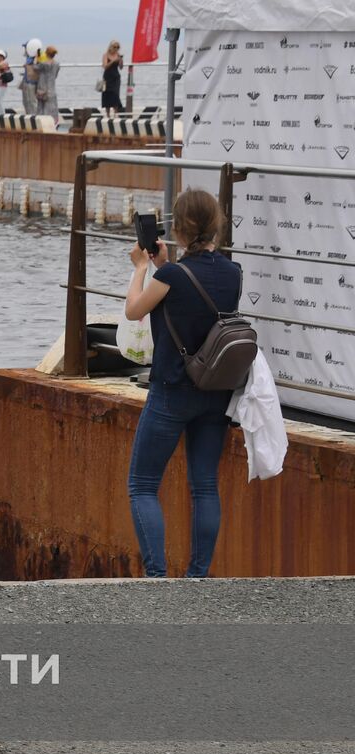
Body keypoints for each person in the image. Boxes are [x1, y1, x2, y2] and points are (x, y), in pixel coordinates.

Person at [123, 189, 240, 578]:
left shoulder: (171, 275)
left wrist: (143, 266)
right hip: (216, 390)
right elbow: (196, 300)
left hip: (173, 389)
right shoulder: (231, 271)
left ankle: (157, 577)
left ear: (179, 228)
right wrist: (166, 266)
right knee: (204, 486)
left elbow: (134, 309)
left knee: (142, 484)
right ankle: (197, 575)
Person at [33, 45, 61, 122]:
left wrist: (36, 58)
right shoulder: (57, 64)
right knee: (52, 108)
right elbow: (55, 75)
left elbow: (35, 68)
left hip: (42, 89)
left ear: (46, 53)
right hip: (52, 89)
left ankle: (42, 123)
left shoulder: (43, 64)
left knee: (41, 108)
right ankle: (53, 122)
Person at [101, 40, 125, 115]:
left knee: (115, 95)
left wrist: (120, 60)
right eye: (115, 47)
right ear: (111, 47)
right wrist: (113, 61)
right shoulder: (105, 55)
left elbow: (121, 67)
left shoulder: (118, 55)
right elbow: (105, 66)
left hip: (116, 78)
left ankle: (116, 113)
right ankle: (107, 114)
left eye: (118, 47)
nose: (116, 49)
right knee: (107, 95)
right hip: (107, 77)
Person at [19, 38, 42, 115]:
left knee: (31, 102)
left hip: (31, 83)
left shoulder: (35, 58)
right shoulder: (31, 58)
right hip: (27, 81)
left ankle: (34, 117)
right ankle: (30, 116)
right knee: (27, 102)